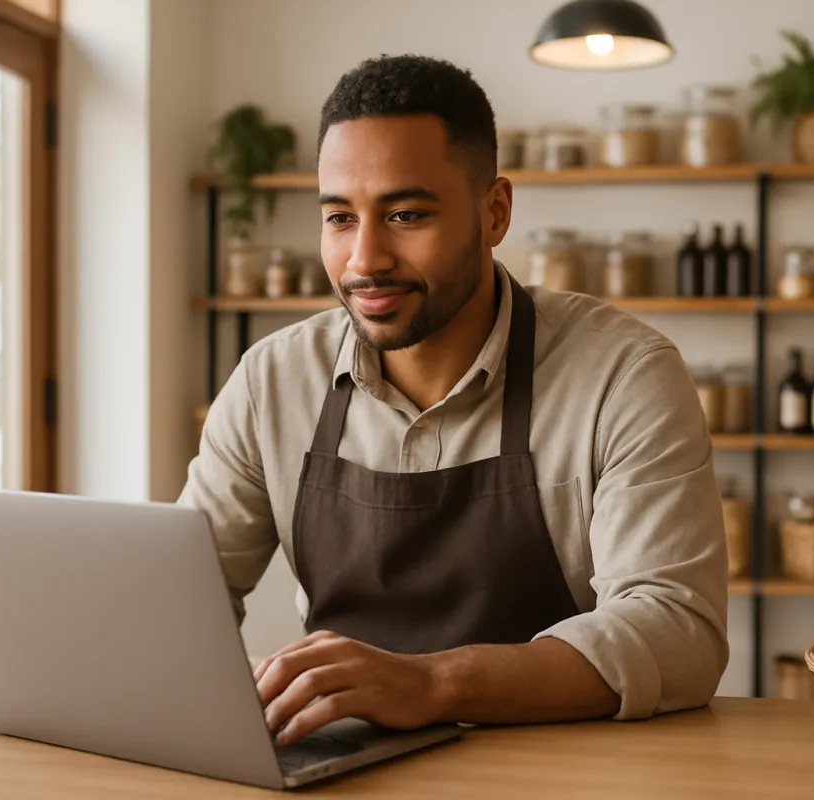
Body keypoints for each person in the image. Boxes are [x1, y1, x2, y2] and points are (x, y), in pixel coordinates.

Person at [179, 54, 728, 747]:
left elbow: (678, 631)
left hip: (565, 772)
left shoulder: (624, 374)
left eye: (405, 214)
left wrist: (432, 684)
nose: (365, 259)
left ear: (494, 211)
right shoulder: (271, 382)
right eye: (341, 218)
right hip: (344, 770)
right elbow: (181, 606)